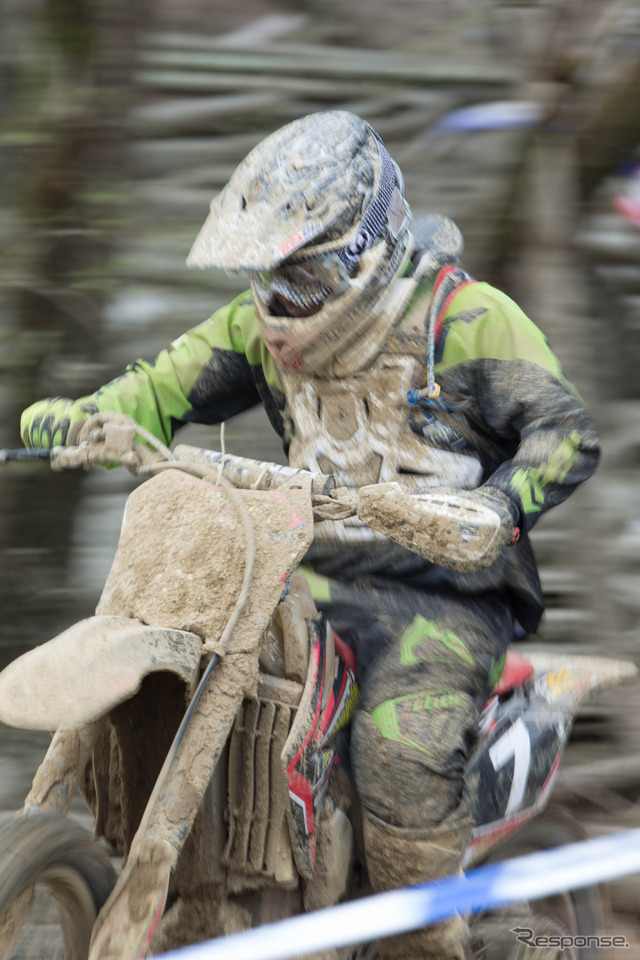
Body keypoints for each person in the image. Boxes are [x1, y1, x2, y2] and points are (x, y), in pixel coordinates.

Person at [20, 111, 600, 960]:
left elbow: (566, 434)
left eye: (301, 283)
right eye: (267, 284)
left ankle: (425, 941)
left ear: (368, 249)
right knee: (192, 677)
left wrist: (499, 508)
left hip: (441, 597)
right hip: (300, 568)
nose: (278, 309)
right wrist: (92, 417)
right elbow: (161, 387)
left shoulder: (467, 322)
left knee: (400, 748)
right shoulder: (254, 329)